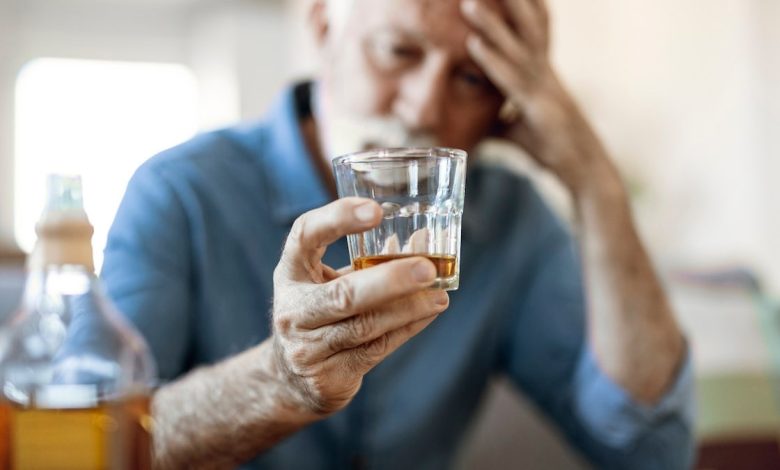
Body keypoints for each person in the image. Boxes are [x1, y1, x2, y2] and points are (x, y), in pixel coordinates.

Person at [102, 0, 694, 468]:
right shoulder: (180, 192)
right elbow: (95, 445)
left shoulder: (513, 219)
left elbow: (649, 450)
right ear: (322, 26)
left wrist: (593, 179)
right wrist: (281, 380)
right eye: (396, 51)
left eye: (472, 79)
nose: (425, 109)